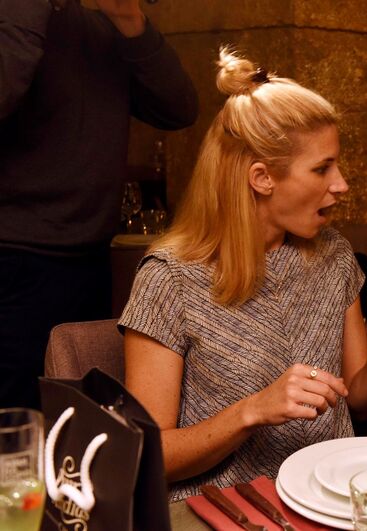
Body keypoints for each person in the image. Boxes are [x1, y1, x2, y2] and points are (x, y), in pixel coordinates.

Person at [120, 48, 367, 501]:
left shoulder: (333, 256)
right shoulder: (169, 279)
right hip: (227, 509)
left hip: (333, 498)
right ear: (262, 178)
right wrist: (252, 411)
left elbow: (357, 402)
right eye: (322, 168)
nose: (341, 184)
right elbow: (145, 455)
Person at [0, 0, 198, 409]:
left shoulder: (102, 18)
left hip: (88, 255)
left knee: (81, 422)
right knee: (17, 425)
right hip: (14, 254)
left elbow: (178, 108)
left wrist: (130, 20)